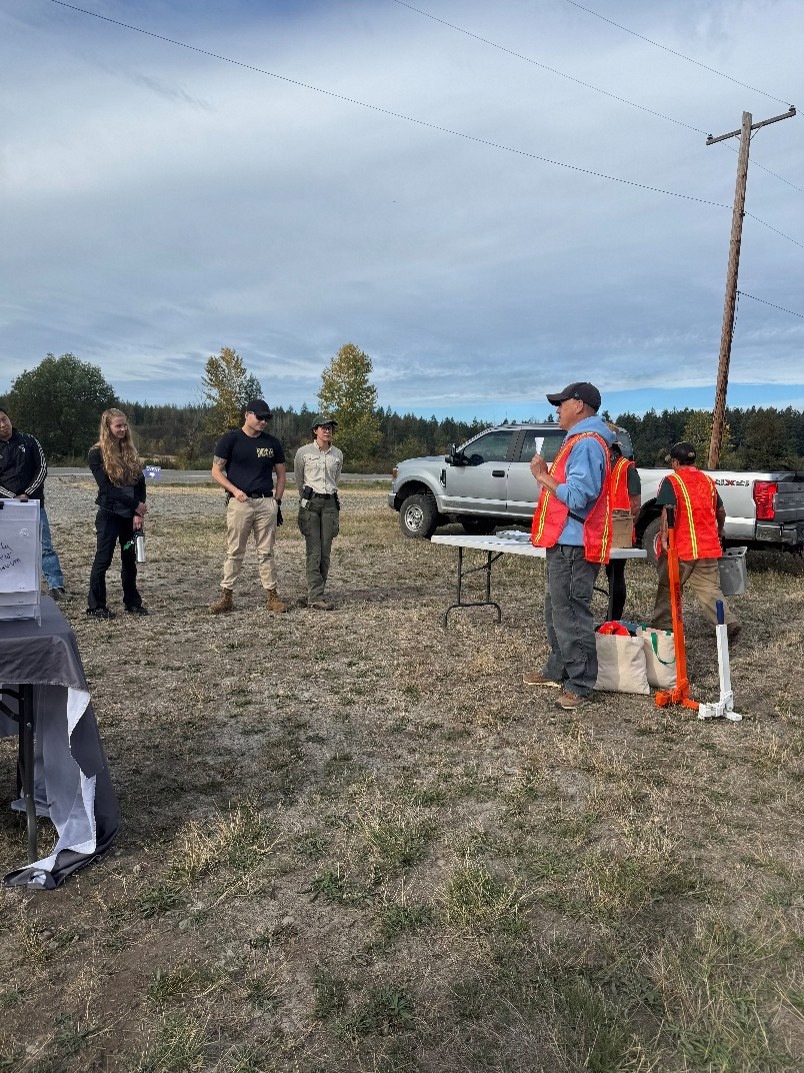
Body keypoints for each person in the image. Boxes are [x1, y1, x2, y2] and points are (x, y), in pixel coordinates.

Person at [525, 382, 615, 710]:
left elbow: (578, 497)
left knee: (572, 613)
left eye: (561, 404)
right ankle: (558, 668)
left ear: (579, 405)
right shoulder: (578, 441)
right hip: (563, 542)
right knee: (556, 609)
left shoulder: (588, 444)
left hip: (575, 545)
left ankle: (579, 683)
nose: (557, 409)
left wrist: (543, 476)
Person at [651, 441, 739, 639]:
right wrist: (720, 529)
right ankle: (726, 623)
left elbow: (668, 510)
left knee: (669, 587)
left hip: (681, 548)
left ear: (675, 462)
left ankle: (664, 627)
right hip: (707, 547)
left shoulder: (672, 481)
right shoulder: (707, 481)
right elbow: (721, 511)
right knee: (710, 590)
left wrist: (664, 537)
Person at [209, 399, 288, 614]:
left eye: (267, 418)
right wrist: (234, 491)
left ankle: (272, 595)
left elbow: (281, 475)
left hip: (265, 502)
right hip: (240, 502)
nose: (263, 421)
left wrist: (276, 501)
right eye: (260, 417)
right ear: (247, 415)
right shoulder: (230, 440)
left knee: (266, 552)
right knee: (235, 550)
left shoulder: (272, 443)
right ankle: (226, 596)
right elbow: (216, 471)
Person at [0, 407, 68, 600]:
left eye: (4, 419)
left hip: (34, 505)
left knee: (45, 546)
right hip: (5, 507)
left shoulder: (29, 441)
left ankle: (56, 586)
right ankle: (11, 585)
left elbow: (42, 469)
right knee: (8, 547)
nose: (3, 425)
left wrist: (27, 494)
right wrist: (12, 497)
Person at [87, 408, 148, 619]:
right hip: (110, 516)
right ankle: (96, 606)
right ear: (108, 428)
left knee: (129, 558)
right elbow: (107, 489)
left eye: (124, 425)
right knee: (103, 560)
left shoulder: (130, 451)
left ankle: (132, 602)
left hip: (129, 519)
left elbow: (140, 483)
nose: (122, 429)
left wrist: (138, 511)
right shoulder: (96, 453)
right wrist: (135, 505)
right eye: (117, 426)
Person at [294, 414, 344, 610]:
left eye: (330, 427)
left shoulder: (338, 454)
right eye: (323, 427)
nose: (327, 430)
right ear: (315, 430)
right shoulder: (303, 453)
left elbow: (336, 478)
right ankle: (315, 596)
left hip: (330, 504)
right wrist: (306, 499)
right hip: (310, 503)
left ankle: (316, 593)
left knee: (325, 552)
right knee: (313, 551)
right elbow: (299, 479)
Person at [604, 432, 641, 621]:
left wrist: (627, 526)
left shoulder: (627, 469)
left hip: (617, 528)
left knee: (615, 575)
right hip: (601, 528)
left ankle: (613, 619)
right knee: (610, 574)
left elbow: (635, 505)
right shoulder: (601, 467)